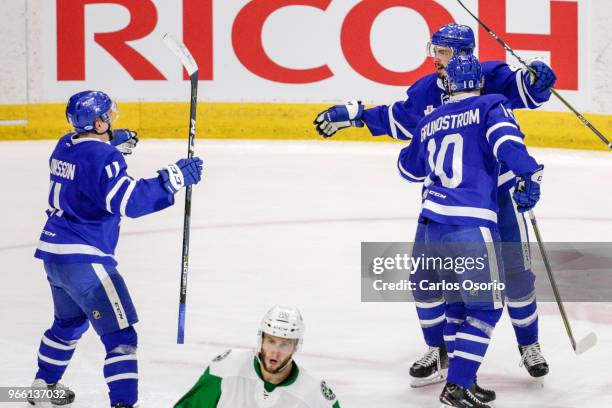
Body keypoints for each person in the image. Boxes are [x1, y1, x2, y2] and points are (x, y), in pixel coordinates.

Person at [314, 23, 554, 385]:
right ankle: (440, 350)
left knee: (516, 275)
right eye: (435, 50)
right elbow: (398, 117)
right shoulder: (427, 90)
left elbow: (529, 91)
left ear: (461, 54)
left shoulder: (488, 77)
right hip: (451, 202)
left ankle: (529, 345)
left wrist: (539, 78)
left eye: (441, 52)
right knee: (438, 278)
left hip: (498, 196)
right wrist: (358, 115)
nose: (435, 58)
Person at [28, 90, 204, 408]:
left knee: (68, 324)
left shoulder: (64, 145)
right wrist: (173, 178)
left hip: (55, 256)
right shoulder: (106, 158)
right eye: (107, 117)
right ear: (96, 123)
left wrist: (110, 140)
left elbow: (86, 160)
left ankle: (43, 385)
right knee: (121, 338)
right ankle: (123, 404)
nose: (112, 120)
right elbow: (129, 202)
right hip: (87, 261)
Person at [397, 54, 544, 408]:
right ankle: (457, 385)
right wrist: (528, 174)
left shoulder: (431, 118)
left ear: (449, 85)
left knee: (456, 305)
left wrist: (426, 137)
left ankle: (465, 379)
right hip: (470, 225)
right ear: (479, 82)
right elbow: (507, 144)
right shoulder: (491, 104)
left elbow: (407, 168)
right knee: (488, 306)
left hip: (430, 226)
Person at [174, 305, 341, 408]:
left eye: (284, 344)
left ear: (295, 348)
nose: (275, 351)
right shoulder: (227, 368)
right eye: (271, 341)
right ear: (261, 339)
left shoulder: (315, 395)